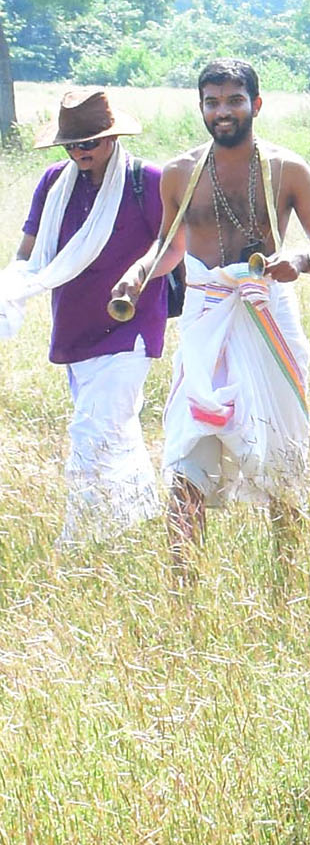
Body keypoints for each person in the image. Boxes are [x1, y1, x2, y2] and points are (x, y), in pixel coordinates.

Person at [129, 59, 310, 569]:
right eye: (212, 102)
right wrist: (137, 275)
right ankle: (182, 593)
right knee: (186, 458)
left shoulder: (287, 170)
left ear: (256, 105)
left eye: (234, 101)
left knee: (282, 457)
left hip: (267, 316)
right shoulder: (180, 172)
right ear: (201, 107)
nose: (222, 112)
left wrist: (302, 262)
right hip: (205, 319)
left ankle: (286, 585)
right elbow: (169, 247)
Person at [2, 90, 174, 546]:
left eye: (89, 143)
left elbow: (171, 245)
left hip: (130, 329)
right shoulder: (53, 183)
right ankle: (135, 524)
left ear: (112, 138)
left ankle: (80, 543)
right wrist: (13, 287)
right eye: (71, 145)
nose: (80, 152)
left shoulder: (147, 181)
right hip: (76, 329)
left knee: (91, 433)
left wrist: (138, 275)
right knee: (116, 432)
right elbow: (28, 253)